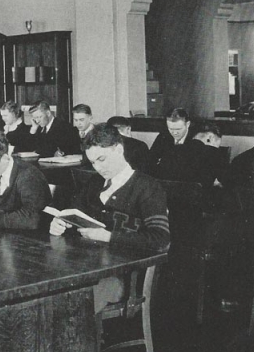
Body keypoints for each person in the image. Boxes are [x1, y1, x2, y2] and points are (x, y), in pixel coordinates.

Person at [49, 123, 170, 312]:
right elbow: (74, 214)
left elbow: (160, 240)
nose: (98, 167)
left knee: (75, 301)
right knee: (51, 288)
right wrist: (60, 223)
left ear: (119, 149)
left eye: (102, 159)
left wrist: (107, 236)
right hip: (90, 267)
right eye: (93, 162)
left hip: (125, 277)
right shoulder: (95, 183)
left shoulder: (148, 187)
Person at [154, 122, 229, 189]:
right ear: (210, 137)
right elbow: (225, 183)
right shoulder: (215, 153)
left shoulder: (170, 150)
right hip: (201, 202)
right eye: (216, 145)